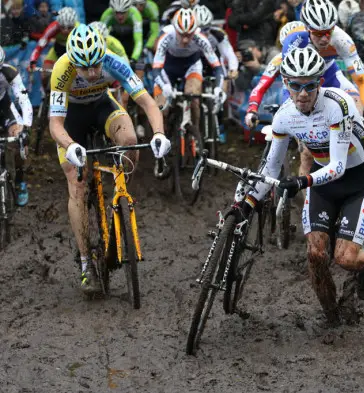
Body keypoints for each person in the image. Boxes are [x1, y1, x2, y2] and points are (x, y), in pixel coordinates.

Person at [245, 47, 364, 325]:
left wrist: (301, 180)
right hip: (322, 181)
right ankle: (332, 317)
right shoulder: (283, 116)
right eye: (295, 85)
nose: (302, 93)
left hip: (356, 179)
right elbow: (270, 168)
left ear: (320, 83)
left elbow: (338, 166)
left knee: (345, 258)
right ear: (285, 84)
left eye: (309, 85)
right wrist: (248, 202)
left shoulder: (337, 105)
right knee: (316, 254)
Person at [49, 24, 170, 293]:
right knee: (77, 186)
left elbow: (148, 103)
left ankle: (121, 196)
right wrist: (69, 145)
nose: (92, 73)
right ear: (73, 61)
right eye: (85, 68)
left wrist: (159, 134)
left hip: (103, 107)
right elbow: (55, 124)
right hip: (73, 119)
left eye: (96, 66)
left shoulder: (114, 62)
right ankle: (85, 264)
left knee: (129, 142)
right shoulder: (62, 69)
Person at [283, 0, 364, 122]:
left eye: (329, 32)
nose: (324, 39)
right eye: (318, 33)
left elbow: (362, 80)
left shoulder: (342, 40)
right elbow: (288, 82)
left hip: (330, 74)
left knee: (356, 108)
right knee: (297, 121)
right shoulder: (295, 40)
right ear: (307, 29)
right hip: (302, 83)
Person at [152, 9, 226, 148]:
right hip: (167, 69)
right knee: (161, 108)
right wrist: (164, 86)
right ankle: (161, 140)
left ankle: (195, 132)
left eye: (189, 35)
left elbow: (217, 67)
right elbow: (156, 70)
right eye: (182, 35)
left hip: (191, 66)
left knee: (193, 97)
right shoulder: (166, 36)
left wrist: (218, 88)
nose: (186, 39)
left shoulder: (200, 38)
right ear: (175, 29)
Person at [244, 21, 305, 129]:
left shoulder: (320, 55)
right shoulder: (278, 60)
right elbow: (259, 88)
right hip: (292, 100)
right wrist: (252, 109)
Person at [194, 4, 239, 143]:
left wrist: (233, 69)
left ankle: (220, 123)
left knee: (222, 90)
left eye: (207, 29)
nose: (204, 34)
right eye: (200, 30)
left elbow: (229, 54)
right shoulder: (187, 35)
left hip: (215, 66)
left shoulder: (218, 34)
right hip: (196, 66)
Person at [0, 47, 33, 206]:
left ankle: (20, 182)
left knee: (21, 142)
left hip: (4, 108)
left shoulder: (9, 72)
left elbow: (23, 98)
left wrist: (25, 127)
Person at [29, 7, 78, 73]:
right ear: (58, 24)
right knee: (45, 74)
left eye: (69, 28)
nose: (65, 31)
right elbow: (39, 46)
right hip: (56, 51)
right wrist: (32, 62)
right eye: (62, 27)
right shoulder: (53, 27)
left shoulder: (80, 29)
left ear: (74, 25)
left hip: (74, 52)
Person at [100, 0, 144, 71]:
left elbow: (138, 40)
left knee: (139, 69)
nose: (120, 17)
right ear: (112, 10)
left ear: (128, 10)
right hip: (115, 41)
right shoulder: (107, 14)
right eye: (117, 13)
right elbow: (101, 38)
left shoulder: (135, 14)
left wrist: (134, 59)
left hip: (131, 41)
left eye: (123, 12)